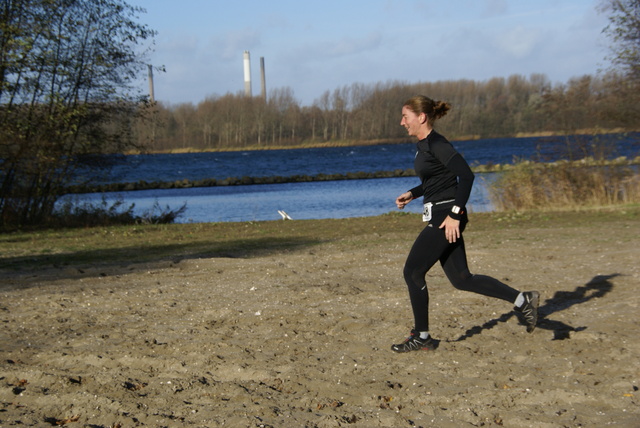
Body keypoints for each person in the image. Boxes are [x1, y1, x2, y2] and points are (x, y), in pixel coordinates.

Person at [391, 95, 540, 353]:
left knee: (412, 271)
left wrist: (455, 214)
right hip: (442, 212)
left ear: (421, 117)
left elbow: (466, 175)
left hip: (446, 216)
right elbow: (437, 179)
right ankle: (522, 299)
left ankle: (422, 337)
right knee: (462, 278)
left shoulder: (437, 143)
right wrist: (413, 194)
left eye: (406, 116)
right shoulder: (423, 145)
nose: (402, 121)